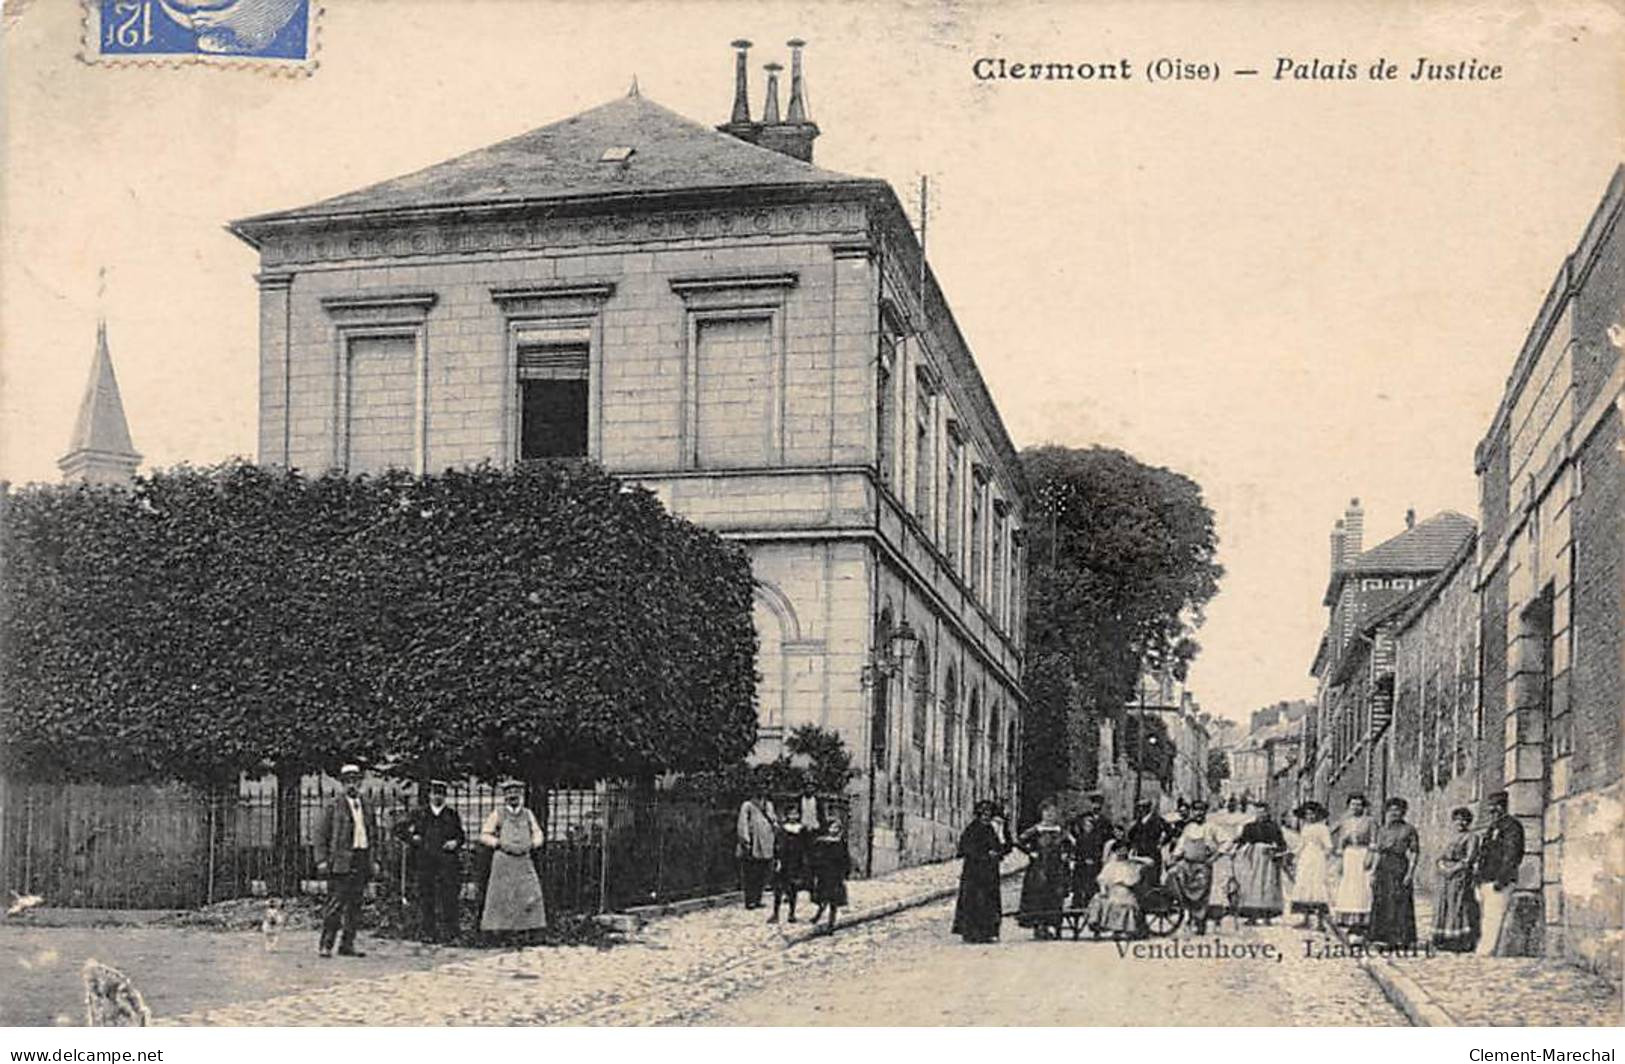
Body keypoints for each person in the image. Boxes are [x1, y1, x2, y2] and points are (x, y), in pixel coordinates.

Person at [313, 763, 381, 958]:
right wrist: (322, 860)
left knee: (355, 905)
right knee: (335, 904)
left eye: (355, 781)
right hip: (341, 861)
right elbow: (320, 834)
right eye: (348, 782)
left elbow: (373, 834)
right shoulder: (333, 805)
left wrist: (374, 859)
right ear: (342, 784)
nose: (352, 785)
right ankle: (326, 945)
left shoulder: (367, 805)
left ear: (360, 782)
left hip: (361, 858)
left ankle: (347, 944)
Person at [394, 778, 466, 944]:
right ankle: (428, 932)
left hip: (447, 862)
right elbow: (400, 830)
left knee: (449, 896)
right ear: (429, 795)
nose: (437, 797)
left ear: (445, 796)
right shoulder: (420, 814)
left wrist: (455, 842)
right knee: (427, 896)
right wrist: (413, 838)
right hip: (425, 861)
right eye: (434, 793)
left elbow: (461, 836)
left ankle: (451, 933)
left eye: (441, 794)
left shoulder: (451, 814)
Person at [477, 780, 547, 940]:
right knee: (502, 894)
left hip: (523, 859)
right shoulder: (498, 813)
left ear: (520, 794)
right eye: (509, 792)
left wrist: (533, 843)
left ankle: (528, 929)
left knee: (529, 893)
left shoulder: (528, 814)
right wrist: (498, 843)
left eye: (516, 792)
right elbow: (484, 835)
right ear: (505, 795)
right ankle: (499, 931)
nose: (513, 795)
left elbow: (538, 833)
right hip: (503, 860)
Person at [952, 799, 1011, 943]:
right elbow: (965, 848)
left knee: (989, 900)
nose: (985, 816)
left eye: (988, 814)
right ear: (978, 814)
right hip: (974, 871)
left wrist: (998, 850)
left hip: (990, 872)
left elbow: (1005, 846)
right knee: (974, 900)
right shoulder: (972, 829)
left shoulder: (992, 829)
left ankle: (988, 931)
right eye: (983, 813)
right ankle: (971, 932)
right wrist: (984, 855)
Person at [1015, 798, 1075, 939]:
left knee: (1055, 895)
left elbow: (1071, 843)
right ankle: (1039, 926)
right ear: (1041, 813)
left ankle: (1053, 925)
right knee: (1039, 895)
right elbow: (1019, 841)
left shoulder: (1060, 830)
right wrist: (1031, 852)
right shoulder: (1036, 829)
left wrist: (1066, 854)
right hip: (1039, 867)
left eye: (1053, 812)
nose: (1049, 815)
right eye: (1046, 811)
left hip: (1057, 867)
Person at [1474, 790, 1525, 956]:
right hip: (1486, 879)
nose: (1492, 811)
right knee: (1487, 917)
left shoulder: (1512, 826)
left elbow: (1512, 854)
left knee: (1494, 917)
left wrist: (1501, 878)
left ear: (1503, 807)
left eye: (1496, 807)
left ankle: (1488, 951)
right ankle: (1486, 949)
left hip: (1498, 880)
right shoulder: (1493, 827)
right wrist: (1478, 879)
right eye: (1491, 808)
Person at [1165, 799, 1225, 935]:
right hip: (1186, 864)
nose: (1199, 813)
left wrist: (1215, 856)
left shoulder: (1211, 827)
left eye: (1201, 810)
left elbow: (1227, 841)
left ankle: (1200, 921)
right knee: (1177, 881)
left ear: (1205, 812)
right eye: (1196, 810)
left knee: (1201, 894)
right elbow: (1181, 845)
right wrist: (1174, 857)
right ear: (1192, 812)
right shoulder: (1188, 828)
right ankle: (1188, 916)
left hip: (1202, 865)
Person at [1367, 796, 1419, 947]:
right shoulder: (1383, 830)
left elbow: (1415, 852)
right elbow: (1377, 852)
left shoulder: (1409, 830)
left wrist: (1410, 873)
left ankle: (1401, 938)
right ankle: (1381, 937)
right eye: (1392, 810)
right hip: (1383, 866)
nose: (1395, 813)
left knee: (1399, 901)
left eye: (1398, 809)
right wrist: (1373, 872)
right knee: (1382, 900)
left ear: (1404, 812)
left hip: (1399, 865)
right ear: (1387, 811)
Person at [1432, 806, 1480, 952]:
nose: (1460, 823)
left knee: (1457, 905)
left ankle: (1458, 940)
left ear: (1469, 822)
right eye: (1457, 820)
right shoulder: (1449, 836)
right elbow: (1440, 855)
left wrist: (1453, 869)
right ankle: (1443, 938)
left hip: (1460, 875)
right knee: (1443, 904)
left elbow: (1469, 859)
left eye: (1464, 820)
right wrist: (1442, 867)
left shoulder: (1472, 837)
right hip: (1444, 876)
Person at [1330, 793, 1376, 939]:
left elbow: (1374, 842)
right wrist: (1340, 858)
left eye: (1359, 804)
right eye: (1353, 804)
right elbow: (1338, 838)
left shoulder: (1370, 821)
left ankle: (1362, 923)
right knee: (1348, 887)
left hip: (1362, 855)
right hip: (1349, 856)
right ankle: (1349, 921)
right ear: (1348, 806)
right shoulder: (1346, 822)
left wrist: (1370, 856)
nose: (1356, 807)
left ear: (1364, 806)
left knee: (1363, 888)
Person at [1234, 802, 1287, 924]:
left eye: (1263, 811)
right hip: (1252, 858)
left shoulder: (1273, 827)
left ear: (1268, 812)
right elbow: (1242, 840)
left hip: (1268, 860)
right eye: (1258, 811)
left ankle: (1267, 916)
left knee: (1268, 886)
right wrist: (1235, 847)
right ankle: (1252, 916)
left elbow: (1282, 844)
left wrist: (1277, 852)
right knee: (1252, 886)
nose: (1261, 814)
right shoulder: (1249, 826)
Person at [1084, 836, 1144, 940]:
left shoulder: (1130, 865)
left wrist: (1133, 858)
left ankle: (1119, 929)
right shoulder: (1110, 865)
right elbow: (1102, 878)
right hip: (1110, 889)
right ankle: (1097, 928)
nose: (1121, 853)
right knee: (1098, 899)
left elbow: (1134, 879)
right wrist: (1103, 889)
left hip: (1124, 890)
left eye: (1124, 850)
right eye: (1119, 850)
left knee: (1120, 902)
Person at [1288, 801, 1333, 930]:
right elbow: (1301, 844)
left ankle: (1319, 922)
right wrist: (1293, 853)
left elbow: (1329, 846)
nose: (1310, 817)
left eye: (1312, 814)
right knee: (1304, 886)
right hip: (1305, 859)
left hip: (1317, 858)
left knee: (1317, 887)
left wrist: (1324, 858)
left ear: (1318, 815)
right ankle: (1306, 919)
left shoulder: (1322, 828)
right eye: (1307, 814)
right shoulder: (1305, 828)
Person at [807, 815, 850, 935]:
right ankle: (818, 915)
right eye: (832, 827)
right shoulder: (822, 842)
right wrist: (816, 870)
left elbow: (845, 858)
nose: (834, 830)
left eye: (837, 828)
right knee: (823, 899)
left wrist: (845, 872)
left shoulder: (841, 842)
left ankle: (831, 924)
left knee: (833, 902)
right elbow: (816, 857)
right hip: (824, 875)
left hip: (836, 876)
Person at [769, 804, 811, 923]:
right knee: (778, 888)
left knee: (793, 888)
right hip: (784, 861)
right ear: (786, 815)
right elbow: (777, 846)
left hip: (796, 862)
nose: (793, 816)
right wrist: (777, 860)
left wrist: (804, 861)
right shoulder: (782, 830)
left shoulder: (802, 829)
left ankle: (791, 914)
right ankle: (775, 913)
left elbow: (806, 846)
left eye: (795, 814)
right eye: (791, 814)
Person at [736, 788, 777, 909]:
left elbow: (773, 821)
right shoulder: (747, 805)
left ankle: (758, 898)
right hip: (754, 842)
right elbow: (742, 823)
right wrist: (745, 840)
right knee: (751, 872)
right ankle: (750, 900)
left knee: (763, 872)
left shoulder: (769, 805)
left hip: (767, 842)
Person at [1069, 801, 1113, 910]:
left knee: (1092, 882)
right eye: (1086, 825)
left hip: (1094, 860)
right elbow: (1074, 839)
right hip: (1081, 862)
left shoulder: (1102, 827)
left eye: (1090, 825)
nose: (1096, 806)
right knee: (1078, 881)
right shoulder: (1081, 836)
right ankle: (1077, 902)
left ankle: (1091, 902)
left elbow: (1105, 842)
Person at [1124, 800, 1171, 892]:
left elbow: (1169, 831)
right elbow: (1130, 834)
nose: (1141, 809)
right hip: (1141, 853)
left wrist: (1161, 843)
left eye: (1144, 807)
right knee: (1140, 877)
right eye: (1140, 807)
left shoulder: (1157, 820)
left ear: (1148, 808)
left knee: (1152, 877)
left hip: (1153, 852)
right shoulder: (1139, 821)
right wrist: (1134, 846)